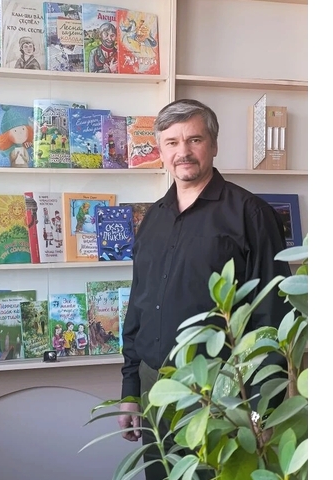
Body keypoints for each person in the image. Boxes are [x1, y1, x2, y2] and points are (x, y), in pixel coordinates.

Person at [117, 99, 292, 480]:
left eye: (194, 140)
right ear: (160, 150)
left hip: (222, 391)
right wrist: (131, 389)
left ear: (213, 144)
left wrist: (260, 411)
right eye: (172, 142)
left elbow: (272, 319)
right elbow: (139, 306)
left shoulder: (251, 215)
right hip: (154, 388)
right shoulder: (153, 219)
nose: (183, 152)